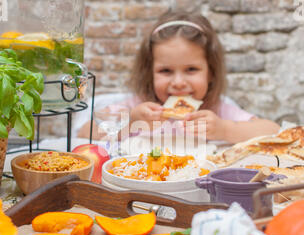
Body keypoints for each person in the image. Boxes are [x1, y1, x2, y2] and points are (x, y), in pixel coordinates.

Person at [78, 10, 280, 144]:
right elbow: (83, 133)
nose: (178, 82)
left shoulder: (217, 109)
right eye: (165, 71)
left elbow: (275, 131)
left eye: (191, 69)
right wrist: (130, 121)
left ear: (211, 72)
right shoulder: (138, 107)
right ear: (150, 73)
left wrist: (225, 129)